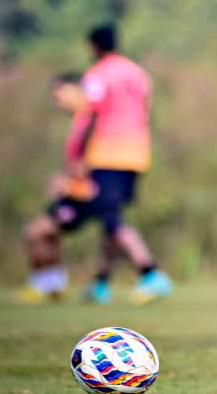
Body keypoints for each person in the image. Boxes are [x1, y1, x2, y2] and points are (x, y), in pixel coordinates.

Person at [17, 25, 173, 305]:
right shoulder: (137, 73)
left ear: (93, 47)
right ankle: (99, 285)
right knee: (110, 220)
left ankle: (151, 274)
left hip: (107, 154)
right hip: (136, 154)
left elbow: (93, 113)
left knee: (112, 221)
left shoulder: (98, 75)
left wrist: (80, 162)